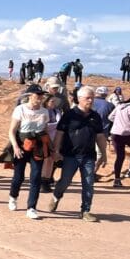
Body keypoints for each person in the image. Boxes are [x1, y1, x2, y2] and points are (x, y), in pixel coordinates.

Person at [49, 87, 108, 221]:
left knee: (88, 183)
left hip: (88, 156)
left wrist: (103, 154)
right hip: (70, 155)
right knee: (65, 181)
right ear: (80, 99)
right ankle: (56, 196)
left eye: (92, 97)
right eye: (88, 98)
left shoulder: (95, 116)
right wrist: (56, 151)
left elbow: (100, 136)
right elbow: (59, 133)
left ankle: (85, 211)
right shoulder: (69, 114)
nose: (91, 100)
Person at [7, 86, 50, 220]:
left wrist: (49, 146)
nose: (40, 97)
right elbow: (12, 131)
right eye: (37, 94)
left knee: (36, 176)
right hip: (21, 145)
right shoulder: (20, 109)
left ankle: (31, 207)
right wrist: (15, 147)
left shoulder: (45, 112)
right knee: (18, 177)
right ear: (30, 95)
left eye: (41, 95)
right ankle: (13, 196)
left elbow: (45, 130)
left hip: (37, 146)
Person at [108, 95, 130, 187]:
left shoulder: (120, 106)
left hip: (116, 133)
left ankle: (117, 179)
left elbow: (110, 117)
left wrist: (119, 123)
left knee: (120, 157)